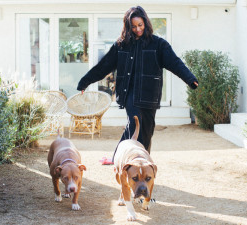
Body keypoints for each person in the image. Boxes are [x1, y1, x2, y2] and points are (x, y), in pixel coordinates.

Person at [77, 6, 198, 159]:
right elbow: (104, 66)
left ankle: (142, 159)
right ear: (128, 27)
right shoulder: (121, 45)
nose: (137, 29)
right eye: (133, 26)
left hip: (149, 93)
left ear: (146, 23)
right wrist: (84, 82)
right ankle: (121, 158)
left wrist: (190, 79)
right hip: (130, 93)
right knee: (135, 123)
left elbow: (175, 63)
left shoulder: (158, 44)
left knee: (147, 129)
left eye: (140, 25)